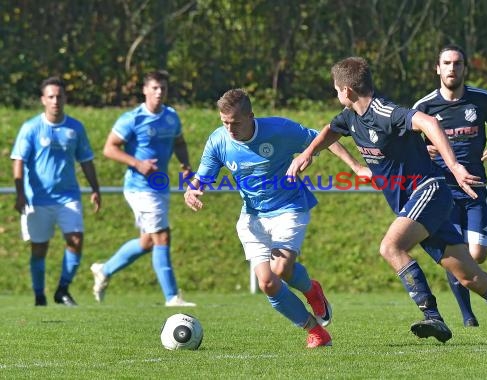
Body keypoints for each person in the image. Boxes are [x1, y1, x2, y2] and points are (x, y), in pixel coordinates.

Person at [286, 57, 487, 349]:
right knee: (471, 277)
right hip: (419, 202)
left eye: (336, 89)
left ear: (347, 90)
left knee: (390, 247)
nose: (336, 94)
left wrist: (454, 166)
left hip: (429, 191)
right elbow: (331, 130)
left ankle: (432, 315)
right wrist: (309, 154)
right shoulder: (350, 116)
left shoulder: (384, 111)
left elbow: (428, 122)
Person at [183, 88, 369, 348]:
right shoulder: (218, 141)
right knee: (268, 283)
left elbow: (324, 139)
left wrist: (357, 167)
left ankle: (312, 290)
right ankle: (315, 331)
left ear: (251, 116)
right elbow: (202, 177)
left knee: (281, 269)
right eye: (224, 122)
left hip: (289, 207)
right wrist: (193, 190)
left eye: (235, 122)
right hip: (253, 217)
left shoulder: (279, 130)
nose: (230, 129)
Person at [412, 44, 487, 327]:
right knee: (455, 252)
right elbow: (409, 146)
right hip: (443, 191)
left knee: (477, 253)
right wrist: (425, 152)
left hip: (475, 187)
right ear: (437, 68)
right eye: (447, 63)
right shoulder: (424, 107)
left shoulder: (481, 100)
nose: (452, 68)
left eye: (457, 63)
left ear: (464, 68)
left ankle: (467, 300)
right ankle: (468, 316)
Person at [90, 70, 195, 307]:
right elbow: (109, 148)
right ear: (145, 90)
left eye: (163, 89)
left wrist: (185, 163)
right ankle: (172, 297)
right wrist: (138, 163)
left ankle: (105, 270)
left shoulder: (171, 117)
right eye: (155, 88)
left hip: (159, 187)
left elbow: (179, 142)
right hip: (139, 187)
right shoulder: (133, 118)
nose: (159, 93)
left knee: (148, 241)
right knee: (162, 235)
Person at [11, 76, 102, 307]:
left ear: (65, 98)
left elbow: (86, 160)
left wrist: (95, 189)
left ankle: (62, 289)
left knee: (75, 239)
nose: (55, 101)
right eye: (50, 96)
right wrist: (20, 192)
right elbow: (19, 160)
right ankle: (39, 295)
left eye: (59, 96)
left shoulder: (75, 128)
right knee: (39, 248)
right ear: (43, 100)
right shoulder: (31, 128)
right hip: (37, 198)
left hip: (68, 196)